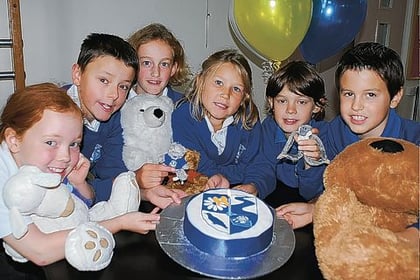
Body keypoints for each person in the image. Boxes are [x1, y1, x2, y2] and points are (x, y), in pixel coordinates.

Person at [0, 83, 160, 274]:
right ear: (13, 140)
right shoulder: (6, 180)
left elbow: (82, 205)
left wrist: (79, 183)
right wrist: (119, 223)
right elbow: (40, 251)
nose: (65, 157)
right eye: (51, 142)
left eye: (74, 144)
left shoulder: (40, 161)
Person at [277, 42, 420, 245]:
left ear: (395, 97)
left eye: (370, 95)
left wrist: (410, 237)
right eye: (348, 94)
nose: (356, 106)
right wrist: (312, 162)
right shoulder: (335, 132)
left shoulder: (414, 142)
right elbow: (315, 191)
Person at [67, 33, 184, 208]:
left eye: (123, 86)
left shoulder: (114, 116)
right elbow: (57, 188)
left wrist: (144, 192)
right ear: (77, 74)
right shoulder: (54, 115)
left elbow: (103, 183)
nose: (114, 95)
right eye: (104, 80)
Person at [171, 49, 275, 199]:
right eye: (218, 82)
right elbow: (197, 166)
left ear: (244, 97)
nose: (226, 94)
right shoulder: (183, 117)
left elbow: (261, 163)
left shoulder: (249, 121)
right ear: (200, 81)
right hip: (195, 191)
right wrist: (235, 172)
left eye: (236, 89)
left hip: (238, 192)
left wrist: (254, 185)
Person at [261, 61, 329, 205]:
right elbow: (264, 170)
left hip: (313, 202)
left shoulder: (324, 137)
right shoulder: (268, 128)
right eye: (282, 101)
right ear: (271, 102)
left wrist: (311, 163)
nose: (290, 110)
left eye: (301, 102)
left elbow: (311, 193)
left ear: (317, 106)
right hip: (277, 194)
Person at [127, 23, 190, 102]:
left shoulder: (187, 108)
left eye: (164, 64)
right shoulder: (114, 105)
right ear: (133, 64)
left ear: (173, 68)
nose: (156, 73)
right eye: (147, 63)